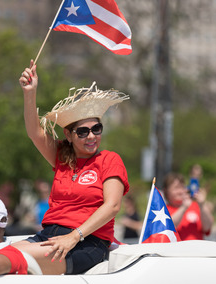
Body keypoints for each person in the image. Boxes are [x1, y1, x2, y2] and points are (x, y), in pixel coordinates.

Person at [14, 60, 130, 275]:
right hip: (49, 235)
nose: (92, 136)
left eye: (96, 128)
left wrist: (74, 236)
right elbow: (34, 132)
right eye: (83, 132)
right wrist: (29, 93)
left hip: (88, 241)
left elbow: (112, 206)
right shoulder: (61, 156)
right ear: (69, 134)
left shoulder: (109, 159)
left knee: (11, 259)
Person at [162, 173, 214, 240]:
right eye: (176, 188)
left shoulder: (196, 206)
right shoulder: (162, 210)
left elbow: (207, 227)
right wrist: (184, 207)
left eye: (182, 187)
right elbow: (168, 228)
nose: (180, 191)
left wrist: (202, 205)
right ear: (166, 191)